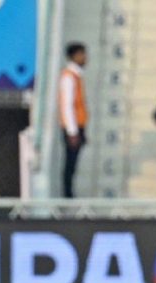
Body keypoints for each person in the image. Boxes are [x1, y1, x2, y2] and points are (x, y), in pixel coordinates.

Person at [59, 42, 88, 198]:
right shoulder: (69, 77)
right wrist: (72, 131)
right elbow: (67, 105)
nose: (85, 58)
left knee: (73, 163)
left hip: (77, 125)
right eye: (82, 54)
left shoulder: (76, 76)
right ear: (74, 56)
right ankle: (67, 194)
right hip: (73, 127)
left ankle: (69, 193)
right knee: (70, 163)